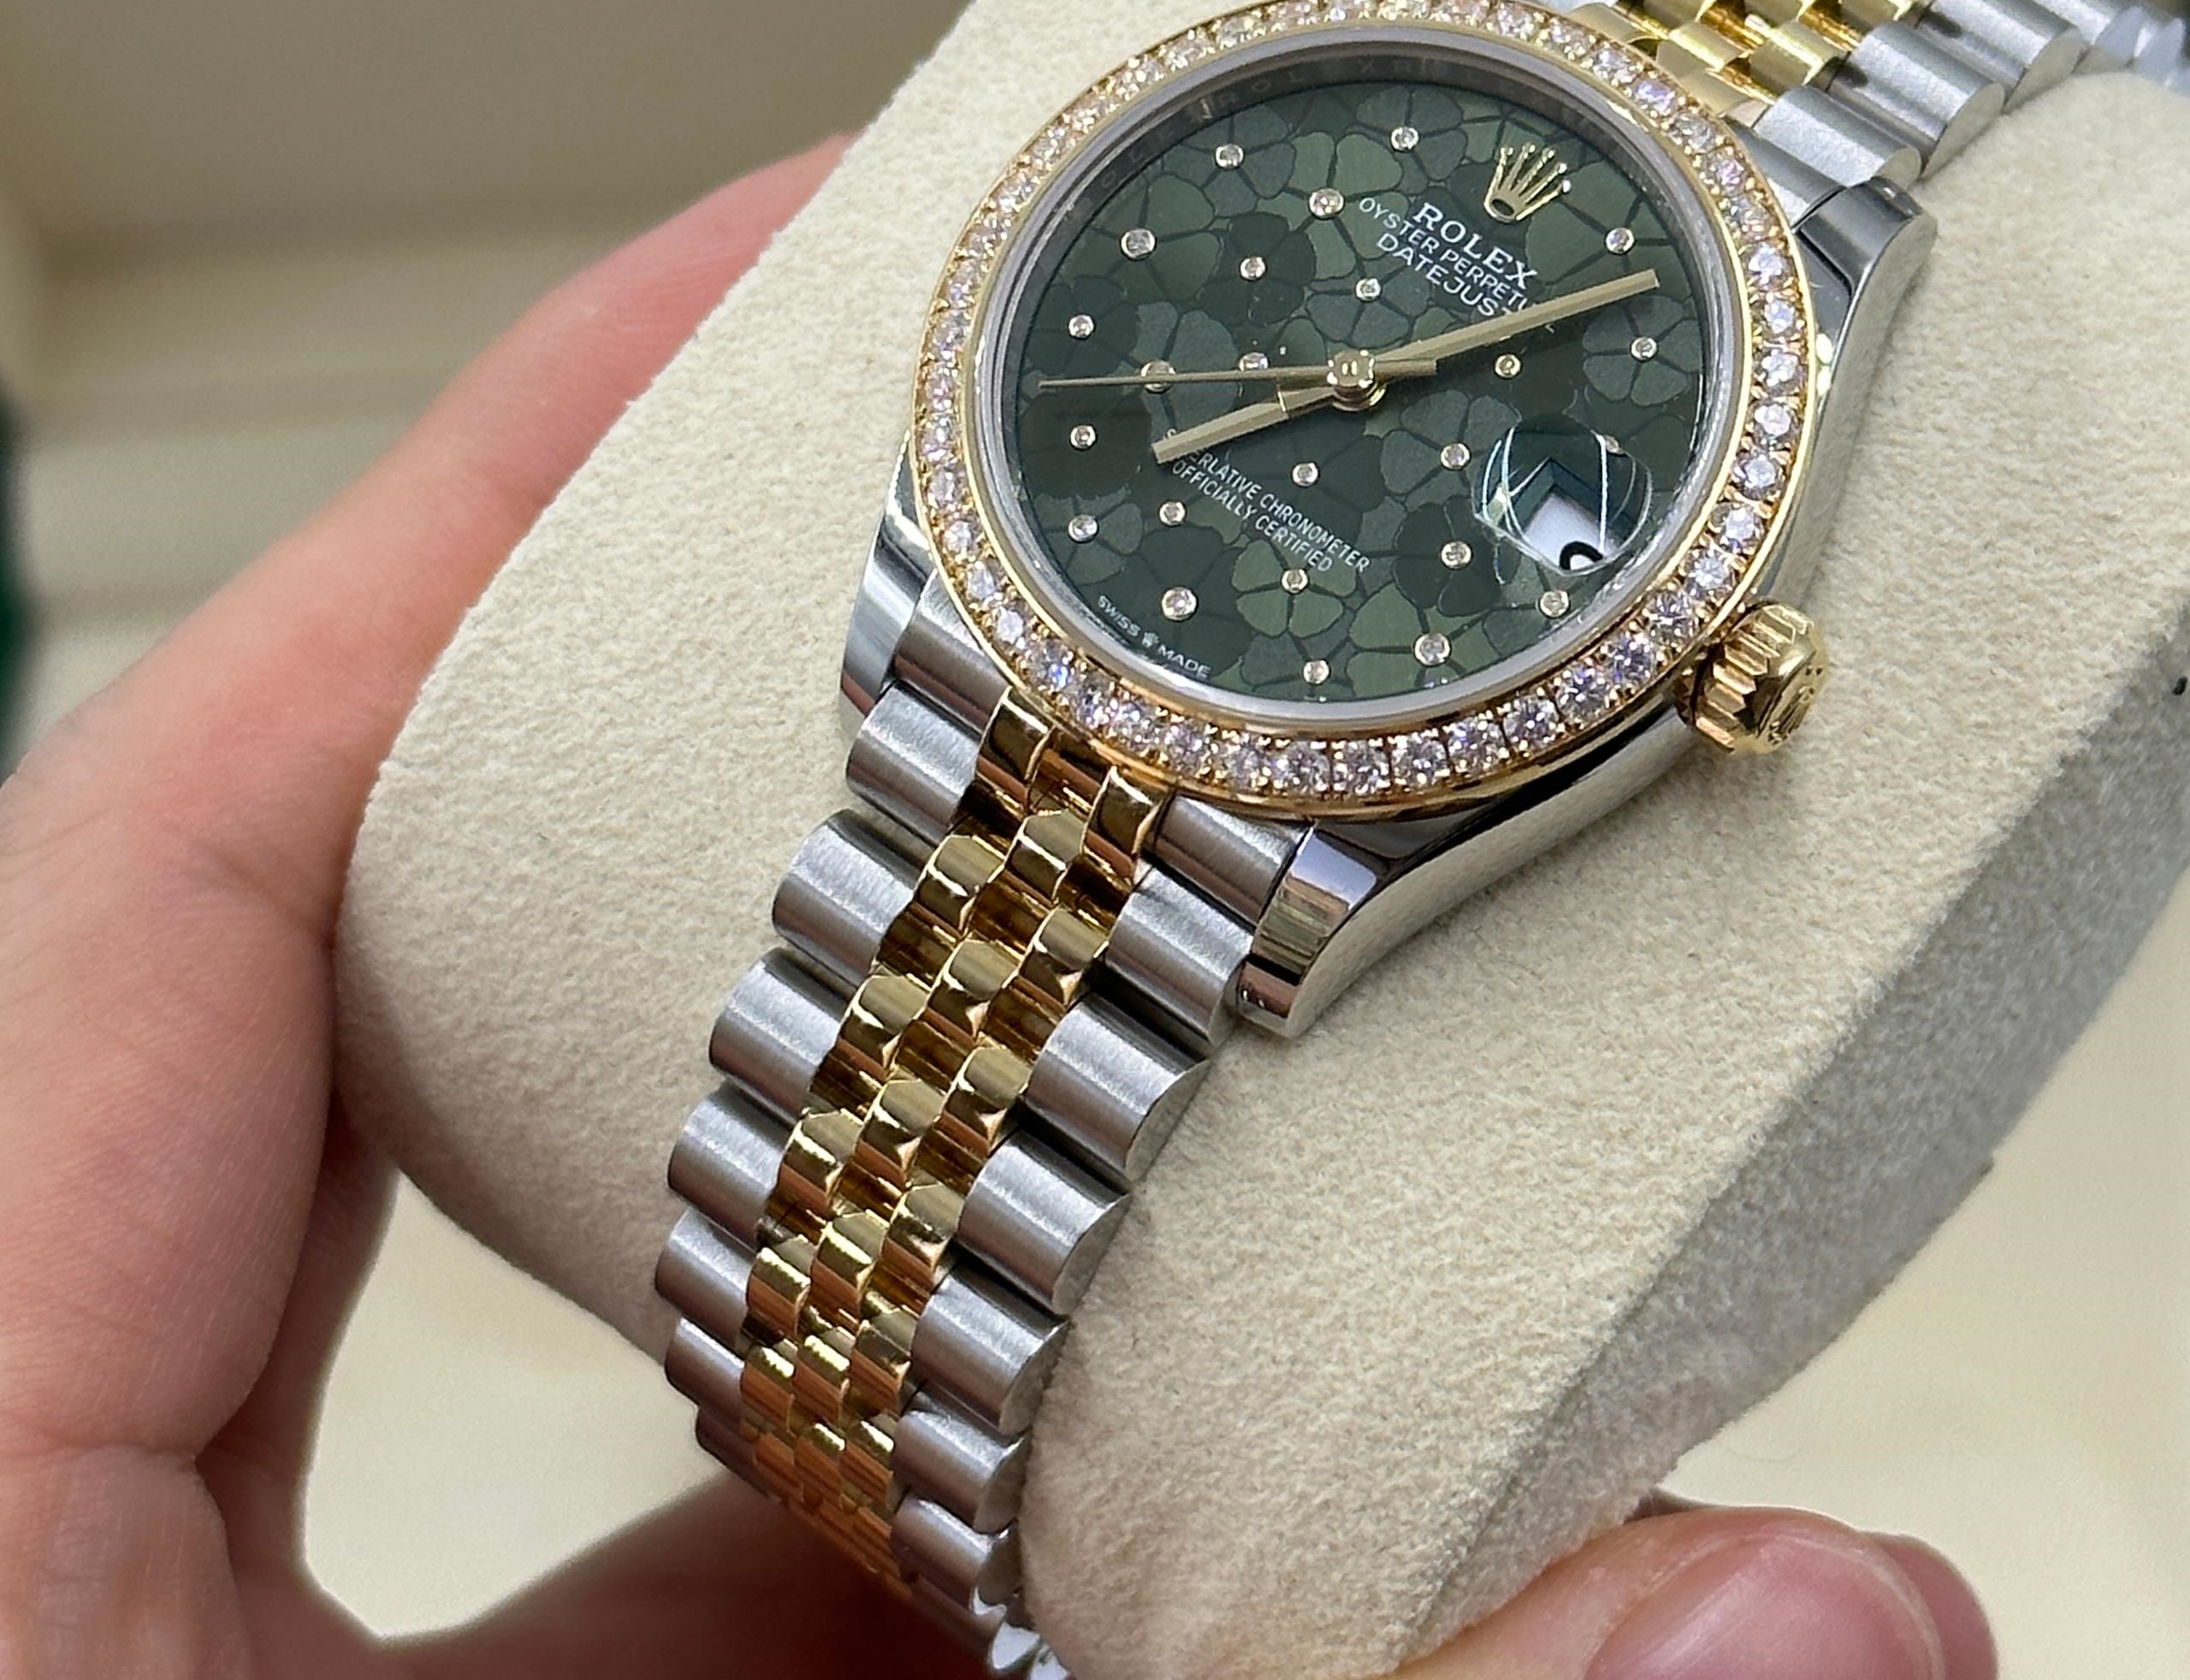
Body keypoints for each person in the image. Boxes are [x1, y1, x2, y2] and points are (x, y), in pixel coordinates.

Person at [0, 145, 1994, 1680]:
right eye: (1347, 364)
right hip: (1005, 650)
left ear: (1724, 657)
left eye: (1399, 387)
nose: (1362, 387)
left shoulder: (1764, 356)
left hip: (1274, 806)